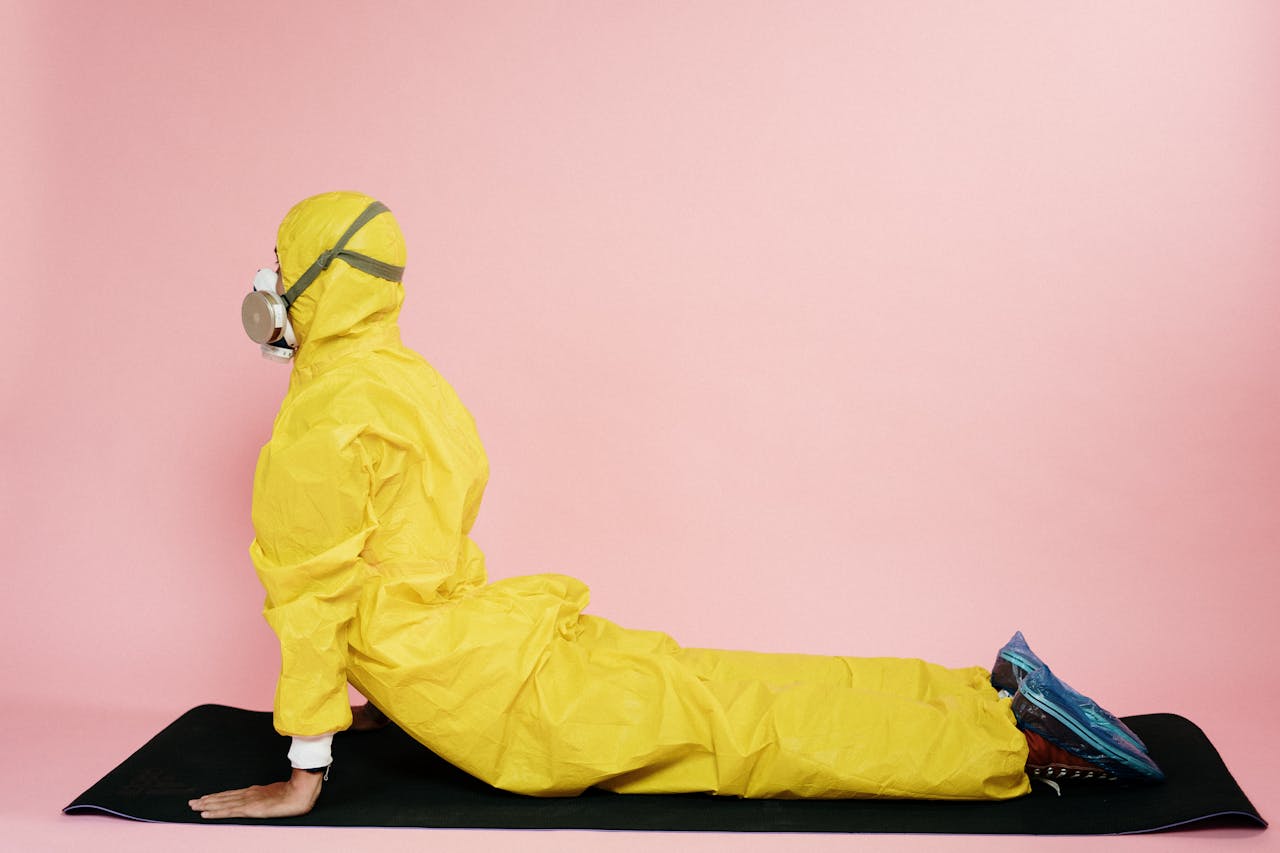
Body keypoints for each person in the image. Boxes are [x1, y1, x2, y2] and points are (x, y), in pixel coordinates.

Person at [190, 191, 1162, 820]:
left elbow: (312, 591)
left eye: (280, 260)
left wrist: (306, 761)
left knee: (737, 727)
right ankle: (973, 688)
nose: (268, 281)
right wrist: (383, 699)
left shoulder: (321, 418)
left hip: (489, 689)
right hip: (488, 643)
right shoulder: (408, 377)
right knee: (725, 682)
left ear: (314, 286)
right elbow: (407, 545)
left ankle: (1006, 734)